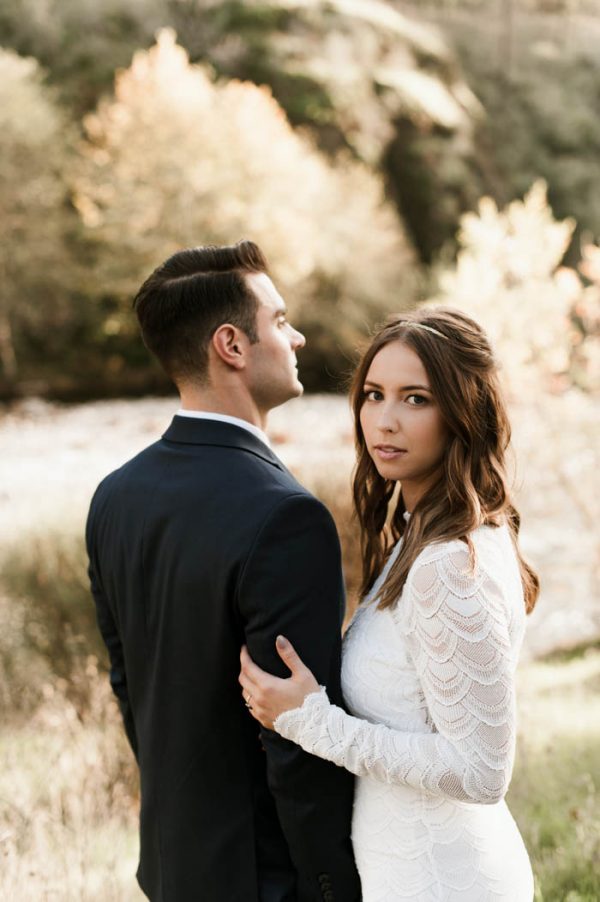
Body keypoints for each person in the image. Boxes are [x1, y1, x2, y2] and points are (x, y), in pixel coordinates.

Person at [86, 240, 361, 902]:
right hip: (267, 881)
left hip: (172, 867)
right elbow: (297, 740)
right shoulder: (287, 517)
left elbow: (130, 688)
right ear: (232, 346)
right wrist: (330, 887)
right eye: (280, 321)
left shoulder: (114, 497)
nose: (295, 338)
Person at [240, 308, 538, 901]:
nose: (385, 420)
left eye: (416, 399)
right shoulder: (420, 536)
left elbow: (482, 771)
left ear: (463, 414)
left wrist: (314, 724)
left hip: (444, 882)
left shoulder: (449, 564)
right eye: (374, 395)